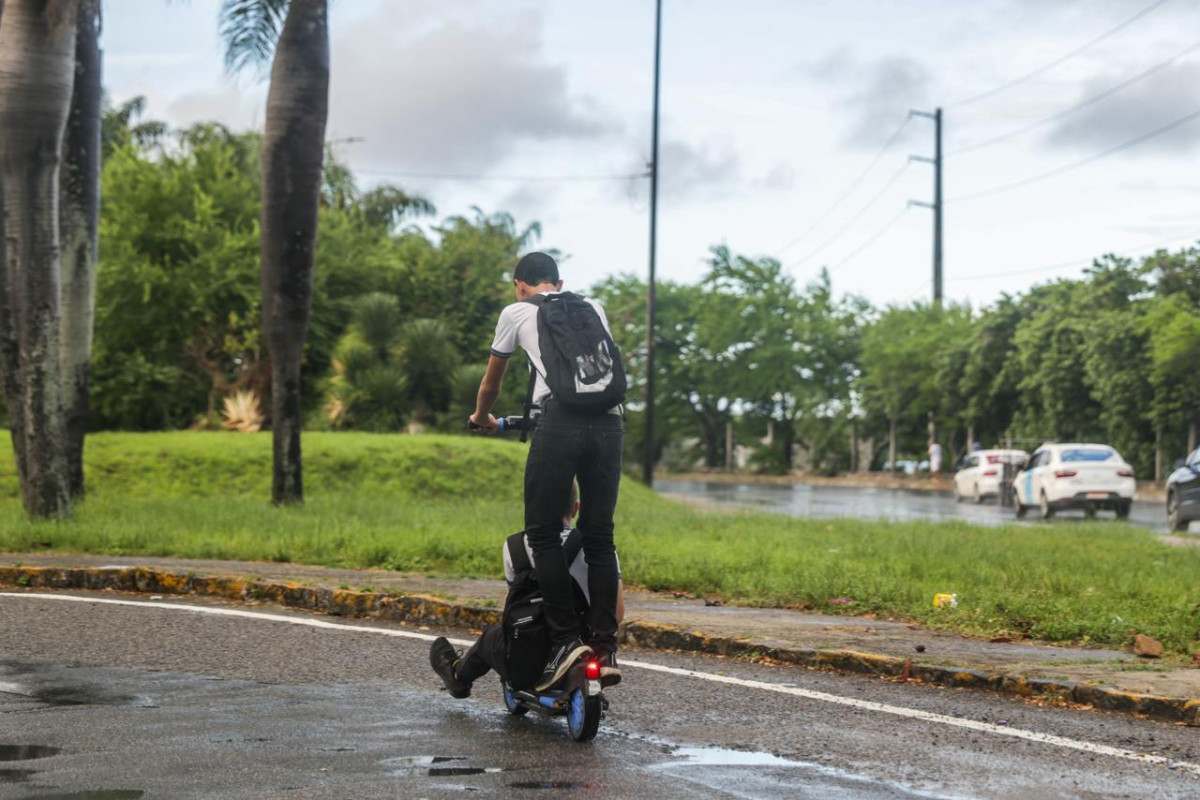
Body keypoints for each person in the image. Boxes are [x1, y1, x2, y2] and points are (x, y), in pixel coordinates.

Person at [469, 251, 624, 691]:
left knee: (540, 533)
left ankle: (564, 641)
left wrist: (483, 416)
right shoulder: (593, 308)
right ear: (559, 282)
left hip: (560, 425)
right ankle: (604, 645)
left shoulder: (516, 312)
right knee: (599, 535)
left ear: (520, 284)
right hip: (610, 423)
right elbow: (585, 375)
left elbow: (492, 382)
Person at [429, 487, 624, 698]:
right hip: (583, 648)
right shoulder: (599, 549)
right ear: (576, 508)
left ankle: (459, 676)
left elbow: (514, 608)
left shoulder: (513, 546)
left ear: (535, 508)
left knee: (490, 638)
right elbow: (617, 612)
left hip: (525, 657)